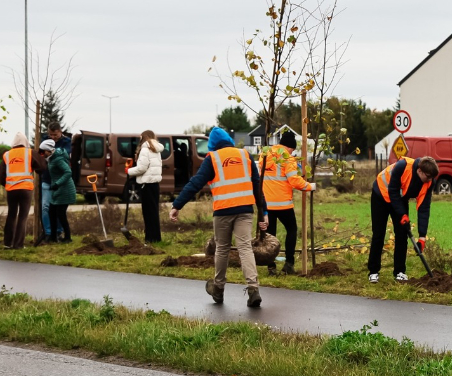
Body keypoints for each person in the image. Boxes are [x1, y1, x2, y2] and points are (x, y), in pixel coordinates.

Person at [169, 127, 268, 307]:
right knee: (245, 247)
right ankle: (253, 289)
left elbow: (196, 182)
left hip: (223, 211)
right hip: (245, 210)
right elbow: (257, 186)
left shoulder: (212, 158)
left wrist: (177, 205)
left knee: (222, 248)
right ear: (229, 141)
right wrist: (265, 213)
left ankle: (219, 289)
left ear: (212, 145)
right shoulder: (245, 155)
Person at [368, 156, 438, 283]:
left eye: (432, 177)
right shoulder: (402, 166)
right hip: (381, 194)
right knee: (378, 234)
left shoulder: (429, 182)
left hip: (399, 199)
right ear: (420, 171)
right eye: (428, 176)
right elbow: (393, 191)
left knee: (402, 234)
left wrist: (422, 237)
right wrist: (402, 214)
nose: (430, 180)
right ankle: (373, 271)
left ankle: (399, 272)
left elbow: (424, 208)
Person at [261, 130, 315, 274]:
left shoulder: (265, 154)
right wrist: (310, 186)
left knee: (269, 235)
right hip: (283, 204)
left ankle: (270, 266)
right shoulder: (288, 158)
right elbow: (294, 181)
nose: (292, 153)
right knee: (291, 230)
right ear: (290, 147)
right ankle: (289, 264)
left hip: (266, 204)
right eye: (292, 150)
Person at [0, 132, 36, 249]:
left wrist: (8, 184)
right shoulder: (30, 153)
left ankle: (7, 243)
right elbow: (42, 166)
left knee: (11, 215)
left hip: (12, 189)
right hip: (25, 189)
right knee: (23, 216)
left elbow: (0, 176)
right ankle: (18, 244)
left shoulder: (7, 155)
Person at [127, 130, 166, 243]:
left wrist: (128, 171)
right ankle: (155, 238)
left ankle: (150, 238)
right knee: (153, 212)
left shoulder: (145, 149)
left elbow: (142, 168)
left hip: (147, 184)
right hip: (154, 184)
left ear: (144, 137)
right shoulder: (155, 149)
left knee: (148, 213)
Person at [38, 123, 73, 238]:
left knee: (58, 208)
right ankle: (48, 232)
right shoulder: (44, 140)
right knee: (45, 207)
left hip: (58, 182)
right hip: (47, 179)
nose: (53, 137)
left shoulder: (66, 142)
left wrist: (51, 149)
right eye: (50, 135)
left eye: (55, 134)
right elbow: (40, 153)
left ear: (60, 131)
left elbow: (65, 154)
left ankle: (58, 231)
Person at [44, 139, 76, 243]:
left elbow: (68, 172)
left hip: (65, 189)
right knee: (51, 212)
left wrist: (57, 183)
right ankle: (53, 237)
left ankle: (68, 238)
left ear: (49, 151)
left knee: (61, 214)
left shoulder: (58, 159)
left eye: (43, 151)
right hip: (57, 189)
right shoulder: (51, 158)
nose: (42, 153)